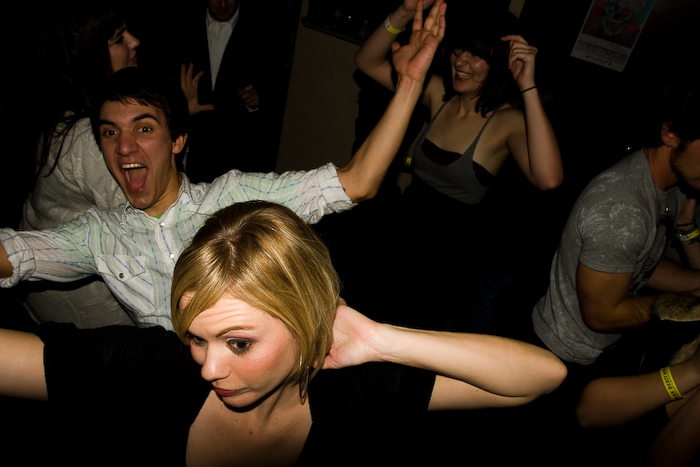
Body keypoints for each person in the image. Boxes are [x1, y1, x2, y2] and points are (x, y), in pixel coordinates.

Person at [0, 200, 568, 465]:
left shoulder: (353, 390)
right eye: (196, 337)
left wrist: (381, 340)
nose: (208, 367)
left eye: (238, 342)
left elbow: (542, 376)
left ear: (304, 322)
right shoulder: (150, 368)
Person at [0, 1, 446, 330]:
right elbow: (17, 253)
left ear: (178, 140)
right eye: (110, 133)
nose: (125, 148)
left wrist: (409, 82)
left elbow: (357, 182)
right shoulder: (100, 234)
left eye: (143, 128)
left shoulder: (230, 199)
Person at [351, 0, 563, 333]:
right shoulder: (438, 93)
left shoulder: (507, 121)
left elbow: (549, 178)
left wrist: (527, 85)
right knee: (364, 319)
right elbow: (366, 61)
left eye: (476, 55)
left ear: (500, 63)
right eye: (459, 50)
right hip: (399, 234)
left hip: (445, 261)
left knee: (406, 338)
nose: (461, 62)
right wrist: (405, 12)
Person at [532, 76, 700, 371]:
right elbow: (601, 315)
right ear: (671, 133)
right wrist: (686, 303)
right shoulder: (624, 210)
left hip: (599, 347)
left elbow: (640, 261)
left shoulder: (671, 184)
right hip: (563, 353)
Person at [19, 0, 139, 328]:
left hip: (43, 290)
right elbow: (153, 226)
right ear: (87, 53)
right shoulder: (92, 138)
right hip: (86, 310)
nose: (134, 41)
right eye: (118, 38)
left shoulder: (58, 103)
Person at [176, 0, 277, 181]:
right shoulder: (182, 25)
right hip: (194, 147)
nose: (223, 4)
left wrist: (257, 102)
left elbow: (278, 88)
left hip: (240, 150)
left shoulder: (263, 28)